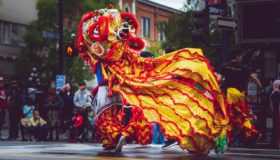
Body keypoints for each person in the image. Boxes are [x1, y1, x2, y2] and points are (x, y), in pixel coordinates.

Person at [220, 49, 261, 146]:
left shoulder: (224, 66)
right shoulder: (244, 68)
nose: (242, 58)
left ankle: (226, 137)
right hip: (241, 94)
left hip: (231, 92)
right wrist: (261, 88)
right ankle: (250, 133)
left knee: (230, 115)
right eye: (241, 56)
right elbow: (254, 78)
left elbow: (219, 78)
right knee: (241, 115)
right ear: (237, 56)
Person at [270, 80, 280, 149]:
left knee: (275, 128)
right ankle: (276, 144)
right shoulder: (276, 92)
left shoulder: (273, 92)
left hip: (275, 112)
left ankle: (274, 144)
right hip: (277, 112)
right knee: (277, 128)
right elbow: (276, 103)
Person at [0, 76, 7, 140]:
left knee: (1, 121)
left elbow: (4, 99)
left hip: (3, 108)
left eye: (2, 83)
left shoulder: (3, 91)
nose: (2, 84)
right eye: (1, 83)